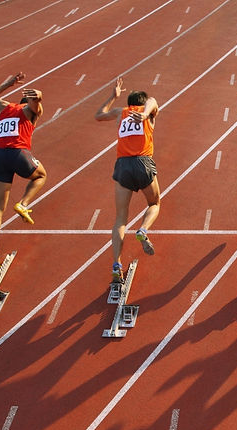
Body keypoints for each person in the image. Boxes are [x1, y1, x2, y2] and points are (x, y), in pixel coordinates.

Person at [95, 77, 161, 284]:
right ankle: (143, 229)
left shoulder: (120, 113)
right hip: (143, 162)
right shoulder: (148, 114)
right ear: (142, 104)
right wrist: (145, 114)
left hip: (122, 165)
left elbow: (99, 115)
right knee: (154, 203)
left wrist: (112, 97)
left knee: (120, 219)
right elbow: (153, 101)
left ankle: (116, 263)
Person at [0, 72, 47, 269]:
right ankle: (23, 204)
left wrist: (9, 83)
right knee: (41, 175)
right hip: (18, 152)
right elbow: (37, 103)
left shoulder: (6, 107)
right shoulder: (30, 111)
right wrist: (38, 95)